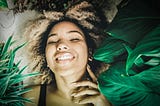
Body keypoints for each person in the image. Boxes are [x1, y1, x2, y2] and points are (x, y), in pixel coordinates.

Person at [22, 1, 111, 106]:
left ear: (90, 52)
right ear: (44, 57)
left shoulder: (116, 98)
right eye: (53, 41)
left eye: (74, 39)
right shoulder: (29, 97)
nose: (61, 45)